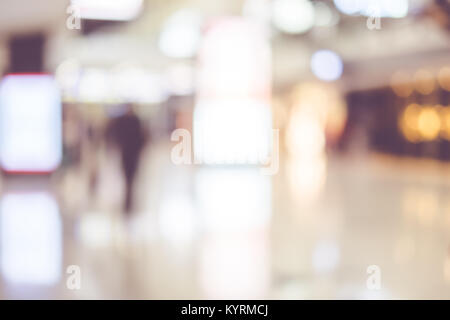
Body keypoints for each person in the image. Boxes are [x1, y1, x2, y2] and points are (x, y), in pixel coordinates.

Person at [107, 104, 146, 214]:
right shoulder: (125, 121)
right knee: (128, 174)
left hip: (132, 152)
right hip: (127, 152)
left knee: (131, 175)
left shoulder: (134, 120)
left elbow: (141, 136)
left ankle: (129, 195)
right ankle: (128, 195)